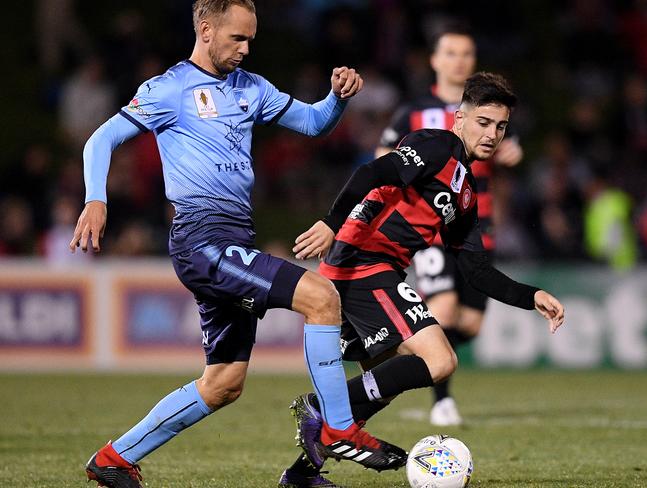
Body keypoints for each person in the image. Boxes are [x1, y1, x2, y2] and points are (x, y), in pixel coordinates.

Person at [70, 1, 404, 487]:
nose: (246, 49)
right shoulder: (169, 88)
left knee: (224, 383)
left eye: (251, 39)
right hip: (201, 237)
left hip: (234, 236)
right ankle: (337, 427)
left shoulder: (251, 87)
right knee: (321, 297)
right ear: (206, 30)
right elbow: (100, 140)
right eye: (237, 39)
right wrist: (95, 199)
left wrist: (337, 98)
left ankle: (113, 459)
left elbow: (313, 123)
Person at [279, 72, 565, 487]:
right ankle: (318, 410)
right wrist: (330, 222)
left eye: (501, 127)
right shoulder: (436, 145)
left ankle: (303, 473)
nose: (492, 134)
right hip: (362, 263)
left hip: (370, 269)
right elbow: (372, 173)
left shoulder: (464, 190)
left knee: (387, 382)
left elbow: (476, 271)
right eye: (483, 122)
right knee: (440, 360)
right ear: (460, 119)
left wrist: (531, 295)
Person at [375, 26, 524, 426]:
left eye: (467, 54)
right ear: (436, 61)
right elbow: (383, 154)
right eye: (451, 53)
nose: (459, 60)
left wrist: (512, 153)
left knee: (469, 324)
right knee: (442, 307)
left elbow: (511, 150)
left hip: (477, 226)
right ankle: (441, 399)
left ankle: (389, 351)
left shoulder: (490, 111)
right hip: (432, 229)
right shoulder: (413, 111)